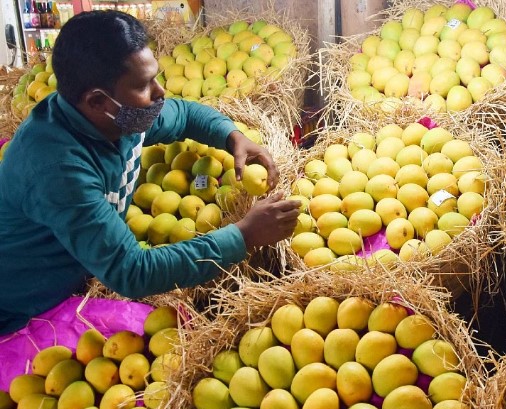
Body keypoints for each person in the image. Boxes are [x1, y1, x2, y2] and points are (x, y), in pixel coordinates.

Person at [0, 11, 301, 334]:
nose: (160, 92)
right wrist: (245, 236)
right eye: (144, 85)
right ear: (98, 101)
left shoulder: (121, 116)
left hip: (74, 277)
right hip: (21, 312)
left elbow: (184, 115)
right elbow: (131, 271)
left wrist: (231, 136)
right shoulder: (58, 169)